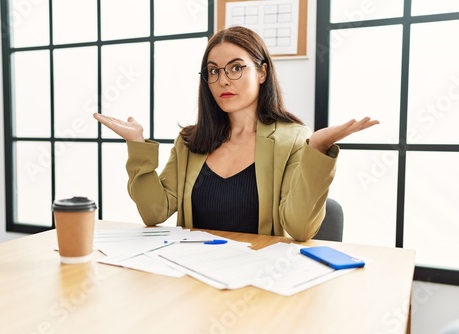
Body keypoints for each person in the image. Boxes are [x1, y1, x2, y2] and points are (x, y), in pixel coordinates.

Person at [93, 26, 378, 241]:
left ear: (262, 72)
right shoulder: (191, 141)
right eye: (213, 71)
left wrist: (317, 148)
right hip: (192, 276)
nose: (223, 80)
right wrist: (137, 144)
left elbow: (300, 228)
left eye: (236, 68)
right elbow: (154, 212)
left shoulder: (291, 139)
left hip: (258, 283)